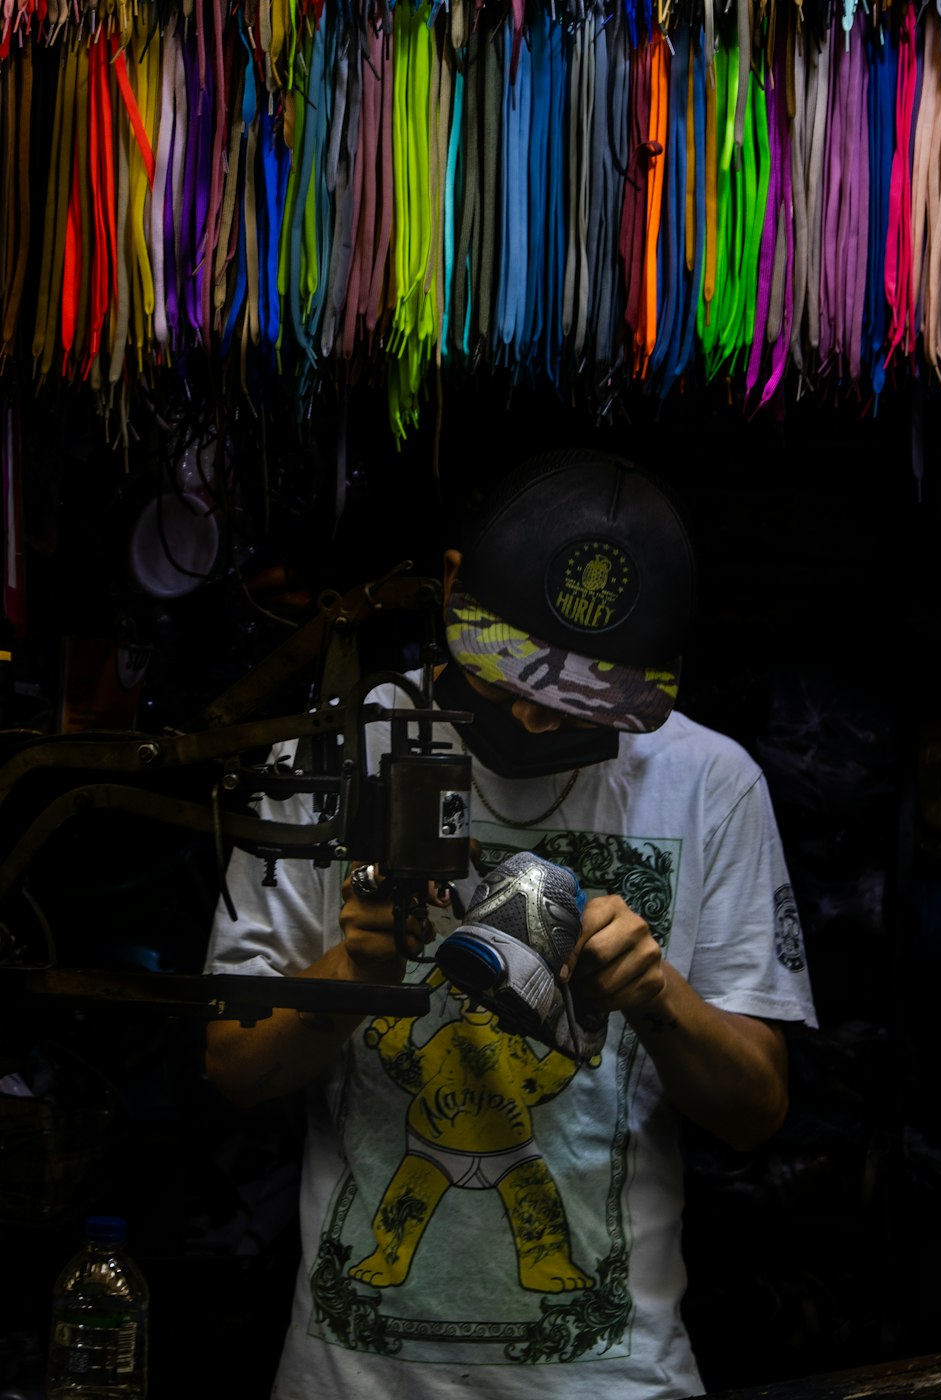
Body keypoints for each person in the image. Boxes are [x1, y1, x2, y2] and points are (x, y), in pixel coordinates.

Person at [203, 447, 818, 1399]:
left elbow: (757, 1110)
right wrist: (350, 978)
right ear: (452, 589)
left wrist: (658, 999)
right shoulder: (332, 755)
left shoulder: (712, 785)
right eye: (513, 676)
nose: (535, 722)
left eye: (580, 697)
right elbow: (233, 1071)